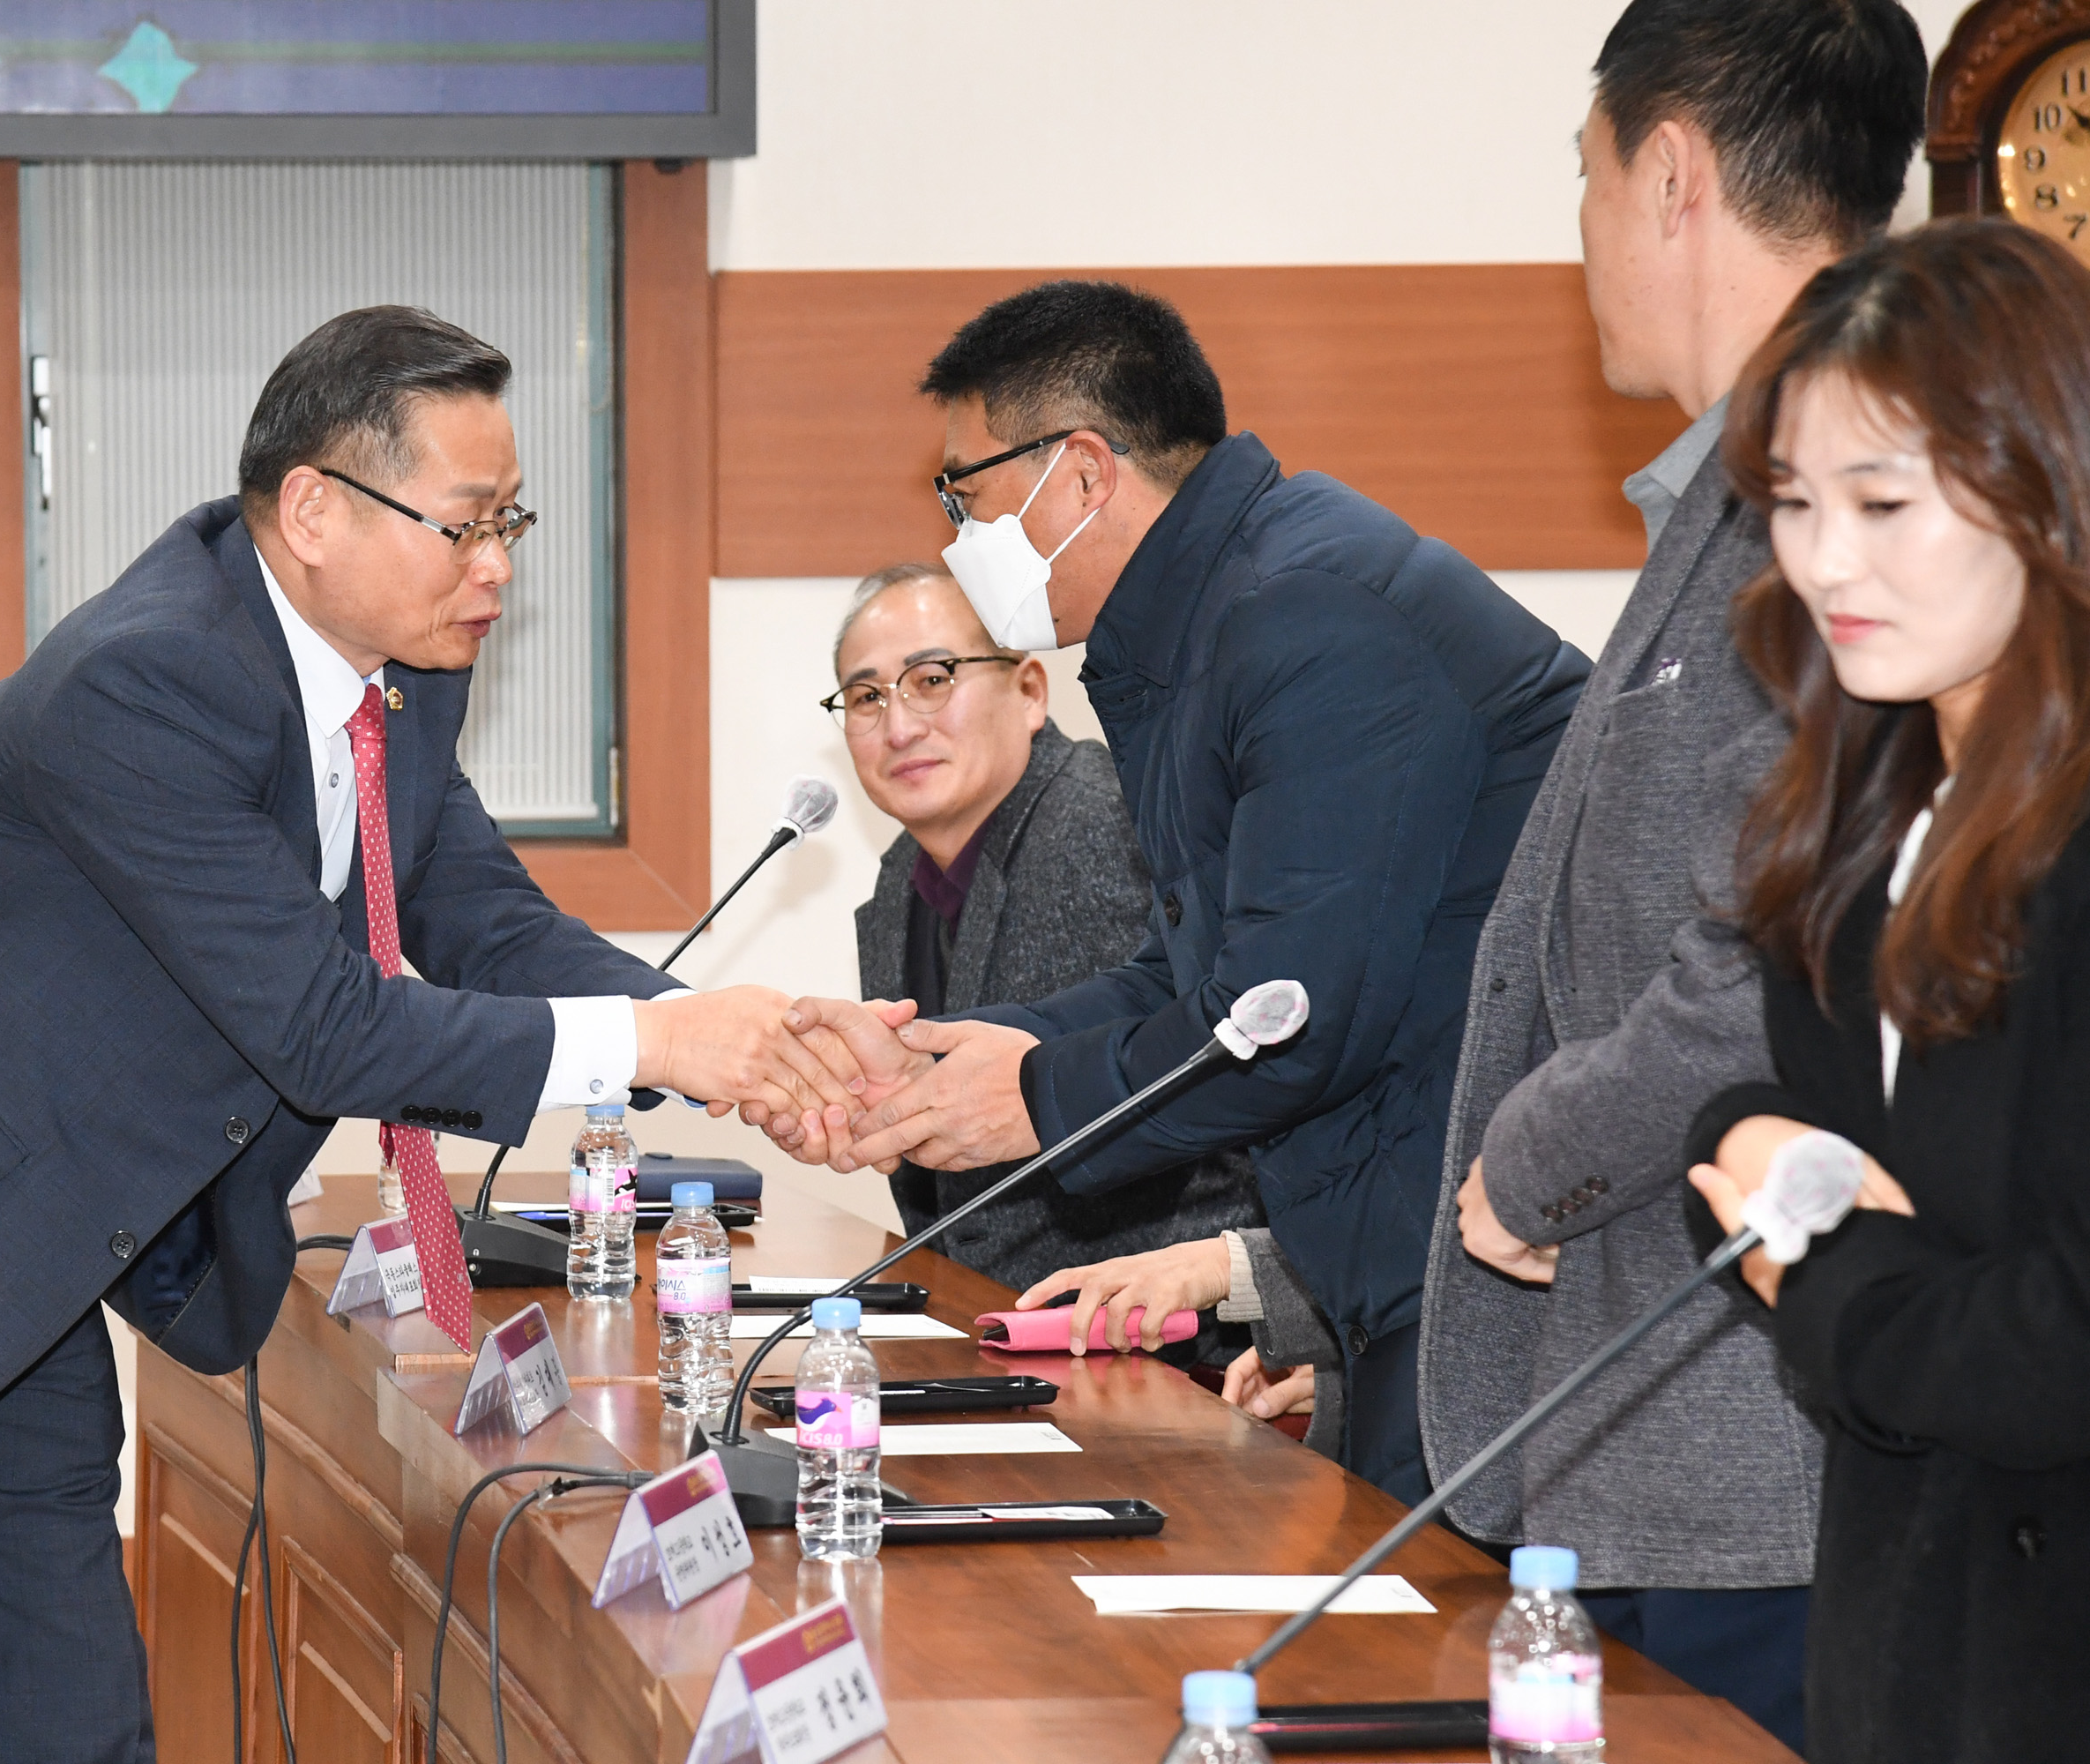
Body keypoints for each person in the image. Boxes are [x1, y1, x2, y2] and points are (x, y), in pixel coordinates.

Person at [0, 307, 869, 1762]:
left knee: (74, 1703)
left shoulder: (398, 674)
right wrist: (664, 1050)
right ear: (316, 509)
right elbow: (326, 1032)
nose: (501, 566)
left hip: (19, 1230)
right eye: (467, 524)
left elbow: (481, 918)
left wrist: (735, 1040)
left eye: (511, 519)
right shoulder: (149, 679)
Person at [780, 280, 1590, 1502]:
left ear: (1084, 476)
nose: (958, 536)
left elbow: (1290, 1014)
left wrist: (1037, 1101)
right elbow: (1193, 975)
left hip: (1491, 1261)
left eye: (968, 495)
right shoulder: (1206, 622)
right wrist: (965, 1055)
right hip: (1397, 1261)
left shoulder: (1303, 614)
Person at [1414, 3, 1927, 1750]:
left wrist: (1536, 1155)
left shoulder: (1834, 508)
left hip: (1757, 1447)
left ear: (1673, 173)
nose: (1582, 239)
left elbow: (1778, 943)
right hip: (1652, 1421)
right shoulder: (1725, 490)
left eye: (1585, 178)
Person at [1682, 219, 2090, 1764]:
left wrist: (1823, 1274)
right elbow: (1796, 1123)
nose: (1825, 561)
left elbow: (2063, 1334)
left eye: (1883, 502)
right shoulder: (1874, 792)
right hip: (1911, 1649)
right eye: (1793, 504)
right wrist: (1741, 1149)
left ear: (2049, 484)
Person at [831, 562, 1262, 1298]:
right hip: (1001, 1326)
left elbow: (1226, 1114)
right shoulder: (900, 877)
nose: (899, 725)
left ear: (1030, 691)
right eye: (866, 696)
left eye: (932, 679)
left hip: (1151, 1337)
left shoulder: (1109, 828)